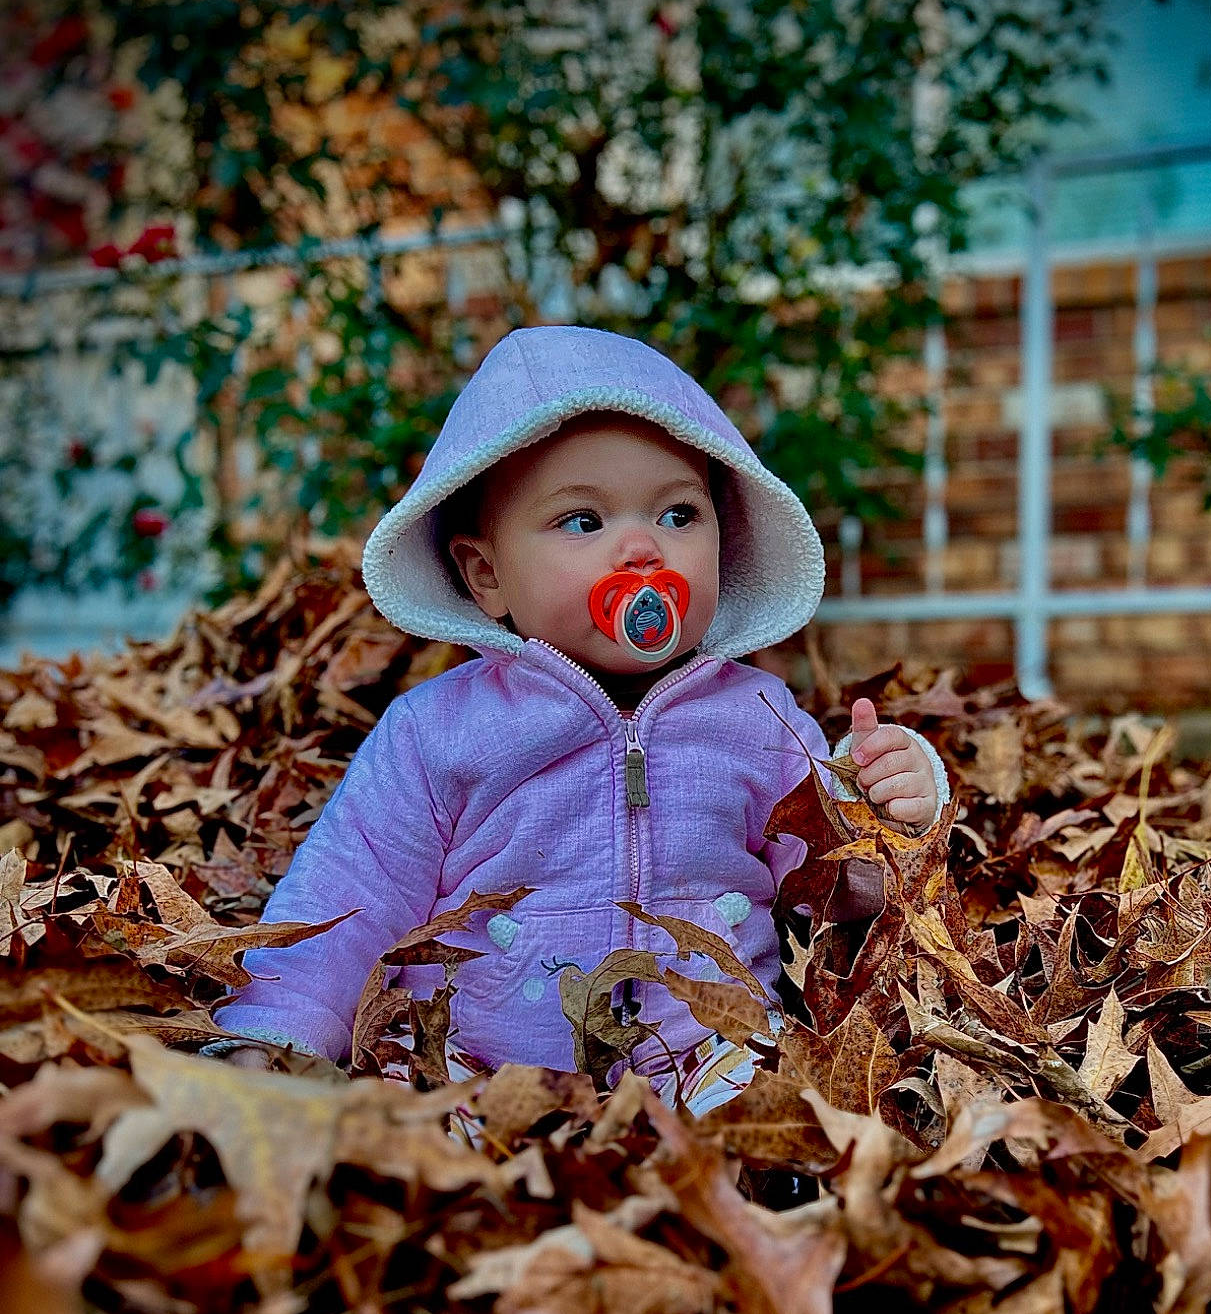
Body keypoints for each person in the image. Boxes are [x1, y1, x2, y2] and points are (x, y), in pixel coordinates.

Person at [213, 324, 946, 1111]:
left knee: (780, 1105)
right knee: (403, 1126)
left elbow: (832, 886)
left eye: (678, 515)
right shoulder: (438, 733)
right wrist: (280, 1035)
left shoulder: (759, 718)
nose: (641, 549)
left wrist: (893, 813)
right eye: (583, 522)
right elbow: (350, 889)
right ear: (487, 575)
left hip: (704, 1050)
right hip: (473, 1057)